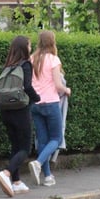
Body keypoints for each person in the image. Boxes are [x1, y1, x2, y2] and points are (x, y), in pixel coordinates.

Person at [0, 36, 41, 197]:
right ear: (24, 48)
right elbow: (27, 86)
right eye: (29, 45)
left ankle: (16, 182)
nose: (30, 48)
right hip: (20, 109)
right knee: (25, 148)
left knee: (15, 146)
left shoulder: (8, 66)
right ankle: (6, 173)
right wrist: (37, 98)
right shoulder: (25, 64)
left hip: (6, 110)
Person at [28, 30, 71, 187]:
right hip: (51, 103)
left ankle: (47, 176)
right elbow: (58, 86)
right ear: (52, 42)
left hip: (35, 105)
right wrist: (67, 90)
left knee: (43, 141)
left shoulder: (32, 59)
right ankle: (38, 163)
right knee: (56, 139)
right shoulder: (54, 59)